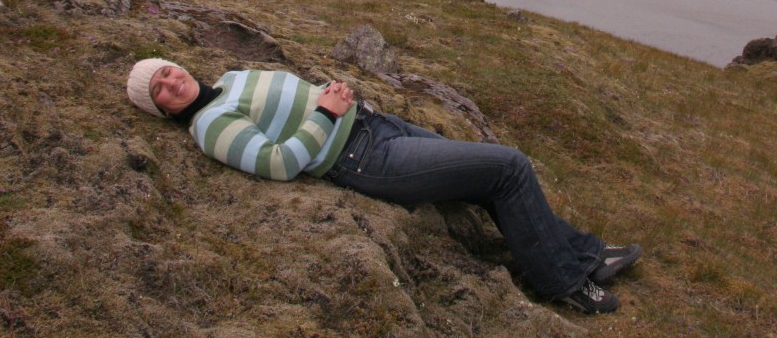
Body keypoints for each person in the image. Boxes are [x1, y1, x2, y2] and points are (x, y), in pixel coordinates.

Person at [126, 58, 642, 314]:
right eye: (161, 91)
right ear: (163, 109)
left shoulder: (230, 79)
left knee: (489, 182)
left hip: (376, 125)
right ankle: (567, 287)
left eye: (168, 72)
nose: (172, 83)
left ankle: (587, 255)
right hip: (363, 157)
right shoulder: (210, 125)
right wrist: (327, 113)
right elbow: (280, 162)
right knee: (508, 167)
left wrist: (331, 94)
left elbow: (293, 101)